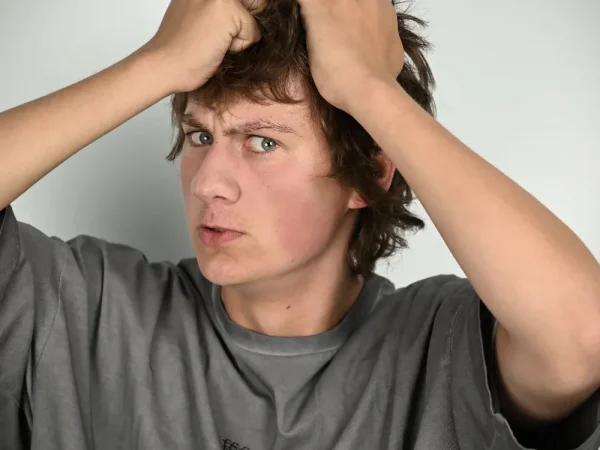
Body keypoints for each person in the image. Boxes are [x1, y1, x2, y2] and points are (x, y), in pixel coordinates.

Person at [0, 0, 599, 448]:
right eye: (200, 136)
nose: (208, 182)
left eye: (262, 141)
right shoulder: (84, 307)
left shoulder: (441, 349)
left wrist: (368, 88)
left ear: (368, 175)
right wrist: (156, 64)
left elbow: (583, 336)